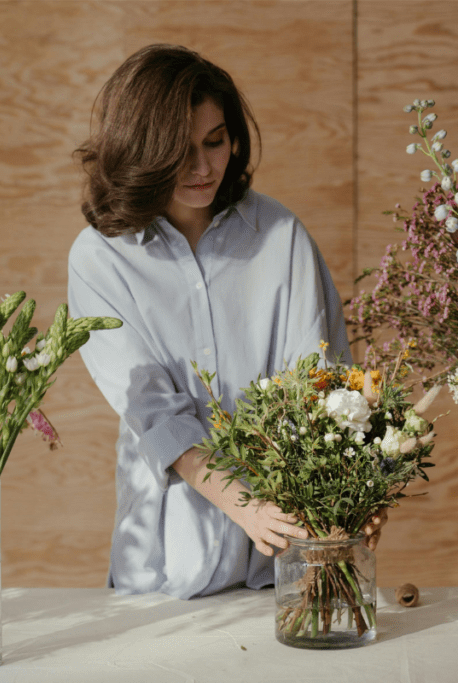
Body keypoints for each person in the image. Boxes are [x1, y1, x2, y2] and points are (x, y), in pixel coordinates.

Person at [68, 44, 385, 599]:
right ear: (142, 153)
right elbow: (158, 417)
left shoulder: (280, 238)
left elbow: (323, 390)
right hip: (166, 566)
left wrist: (352, 500)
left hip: (282, 564)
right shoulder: (100, 258)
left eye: (214, 141)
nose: (202, 167)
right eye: (178, 151)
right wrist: (251, 509)